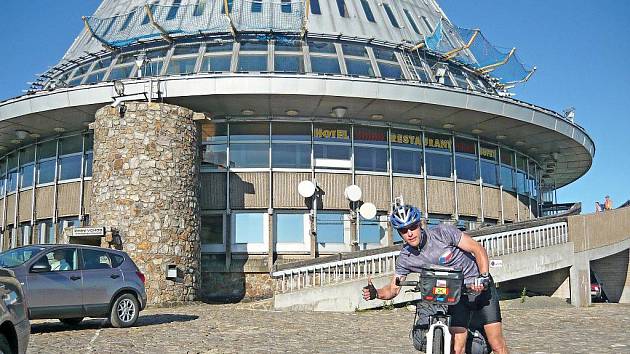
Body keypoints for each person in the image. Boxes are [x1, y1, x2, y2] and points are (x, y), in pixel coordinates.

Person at [362, 203, 508, 354]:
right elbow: (393, 288)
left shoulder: (443, 233)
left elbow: (477, 249)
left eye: (412, 227)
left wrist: (483, 277)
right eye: (404, 230)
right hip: (456, 296)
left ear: (420, 225)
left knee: (497, 345)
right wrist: (376, 293)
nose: (410, 233)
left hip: (479, 288)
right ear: (400, 234)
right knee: (457, 349)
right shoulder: (406, 258)